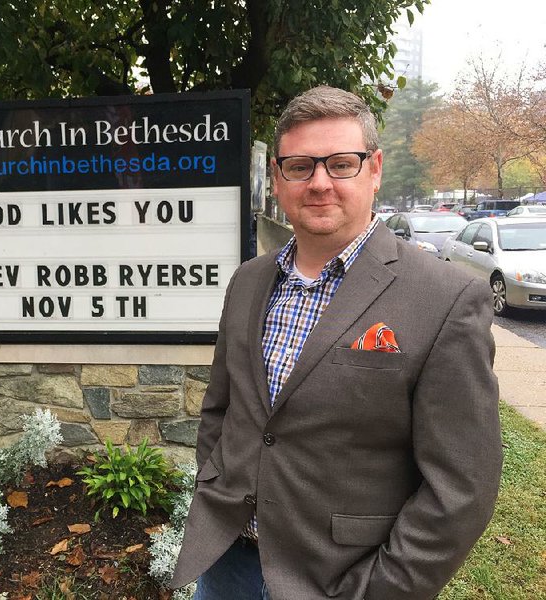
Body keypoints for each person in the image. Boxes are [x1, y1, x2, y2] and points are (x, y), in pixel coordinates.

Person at [170, 85, 502, 600]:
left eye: (341, 163)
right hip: (228, 564)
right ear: (277, 179)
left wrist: (380, 590)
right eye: (300, 166)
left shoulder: (447, 299)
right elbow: (223, 410)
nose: (320, 183)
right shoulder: (249, 283)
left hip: (343, 579)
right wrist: (216, 487)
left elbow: (461, 490)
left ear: (374, 169)